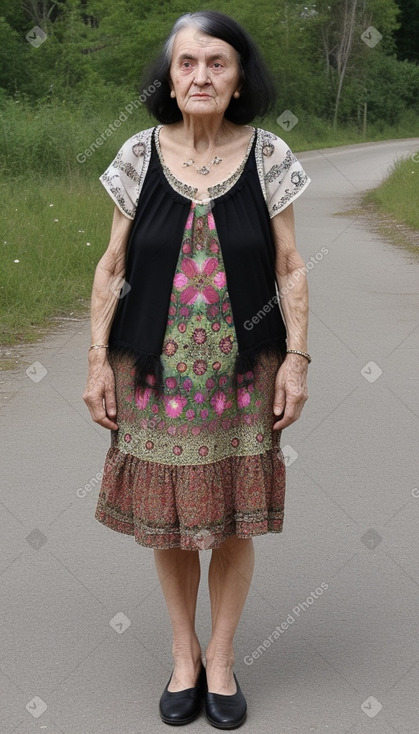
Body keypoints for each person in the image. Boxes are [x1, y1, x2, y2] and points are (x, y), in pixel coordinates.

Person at [83, 10, 311, 729]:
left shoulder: (268, 155)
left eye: (217, 61)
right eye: (187, 63)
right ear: (169, 77)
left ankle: (220, 657)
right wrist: (95, 357)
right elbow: (113, 263)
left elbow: (289, 265)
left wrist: (297, 360)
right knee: (169, 522)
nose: (201, 75)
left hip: (246, 368)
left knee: (234, 521)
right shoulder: (138, 155)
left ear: (240, 75)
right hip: (153, 371)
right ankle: (182, 655)